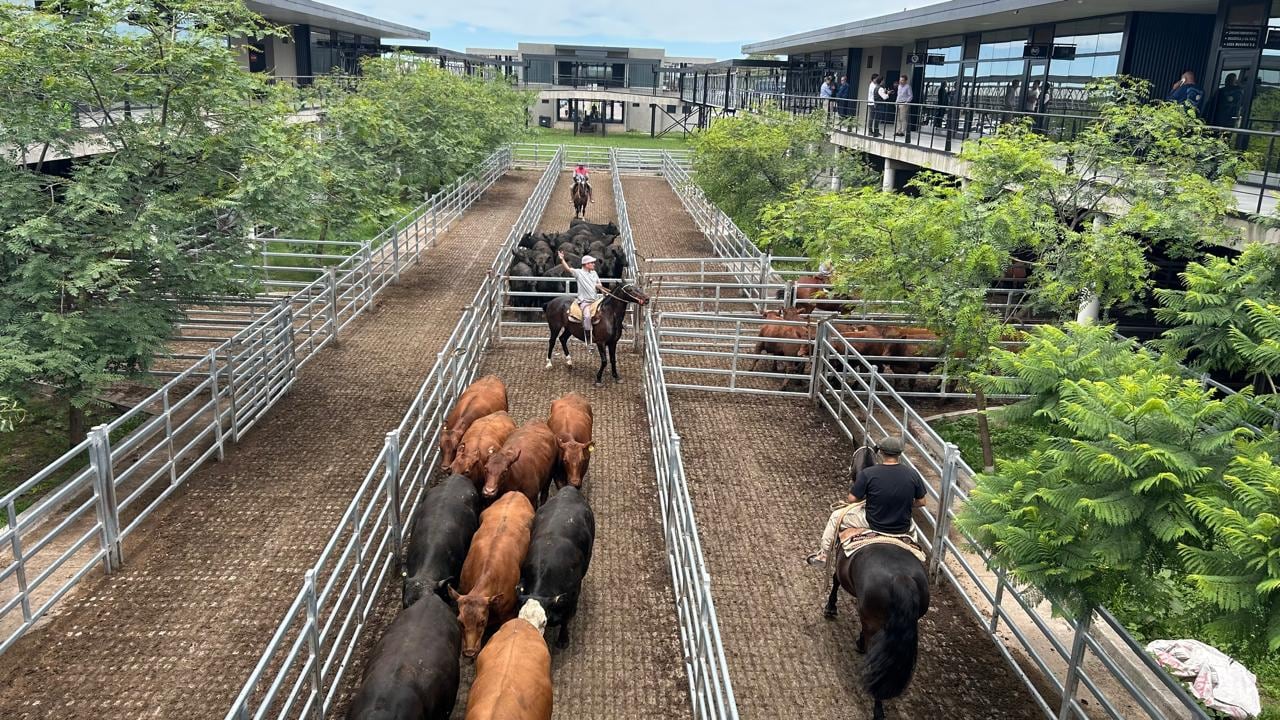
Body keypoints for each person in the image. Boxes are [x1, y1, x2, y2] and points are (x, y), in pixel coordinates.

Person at [805, 435, 927, 566]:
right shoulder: (912, 474)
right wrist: (903, 502)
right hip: (901, 525)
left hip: (873, 522)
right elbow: (922, 502)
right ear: (900, 453)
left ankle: (823, 555)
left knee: (835, 517)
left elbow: (852, 499)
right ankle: (915, 557)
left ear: (880, 452)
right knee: (913, 533)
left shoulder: (869, 473)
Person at [558, 250, 607, 348]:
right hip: (584, 302)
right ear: (585, 264)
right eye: (591, 263)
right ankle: (588, 340)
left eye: (593, 262)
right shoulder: (578, 273)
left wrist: (603, 292)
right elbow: (568, 269)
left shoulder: (594, 273)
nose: (594, 264)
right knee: (587, 316)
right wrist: (562, 259)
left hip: (595, 300)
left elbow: (599, 284)